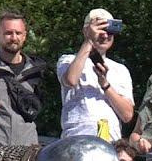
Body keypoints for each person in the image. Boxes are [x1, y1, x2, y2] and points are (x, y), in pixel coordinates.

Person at [57, 8, 134, 140]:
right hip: (77, 139)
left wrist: (105, 85)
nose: (105, 35)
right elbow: (70, 80)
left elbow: (127, 116)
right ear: (86, 31)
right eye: (100, 30)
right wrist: (89, 41)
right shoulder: (68, 60)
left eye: (109, 31)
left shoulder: (120, 69)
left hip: (110, 141)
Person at [0, 11, 46, 147]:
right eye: (8, 33)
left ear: (24, 36)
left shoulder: (36, 71)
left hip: (28, 148)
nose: (13, 37)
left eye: (18, 33)